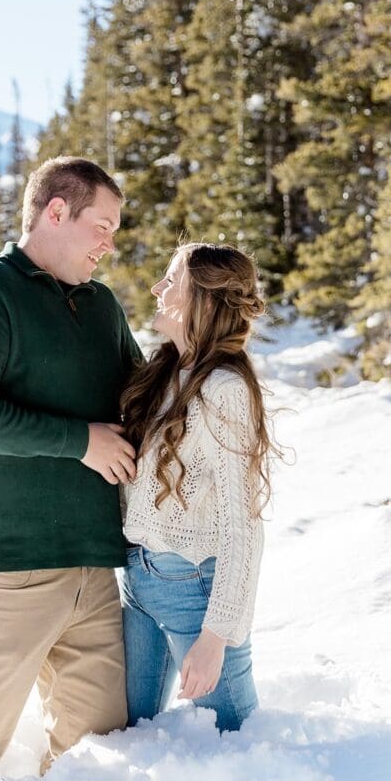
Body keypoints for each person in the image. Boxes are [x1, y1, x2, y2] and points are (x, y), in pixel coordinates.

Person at [0, 156, 142, 779]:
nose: (110, 243)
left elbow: (142, 395)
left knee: (100, 763)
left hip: (92, 571)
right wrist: (80, 442)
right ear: (54, 211)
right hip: (4, 573)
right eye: (102, 225)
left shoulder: (100, 306)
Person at [119, 242, 278, 732]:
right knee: (130, 730)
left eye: (171, 281)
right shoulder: (166, 371)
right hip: (138, 582)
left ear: (203, 300)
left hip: (195, 590)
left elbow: (243, 526)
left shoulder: (225, 390)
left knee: (235, 740)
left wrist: (217, 635)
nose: (157, 289)